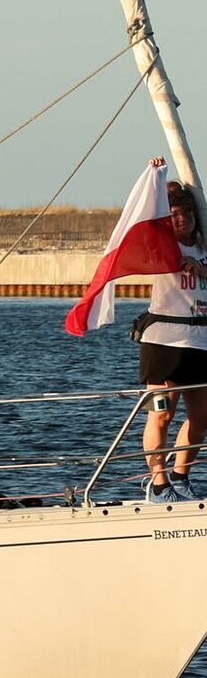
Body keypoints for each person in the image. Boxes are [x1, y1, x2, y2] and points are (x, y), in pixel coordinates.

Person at [141, 158, 207, 503]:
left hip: (200, 341)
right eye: (176, 215)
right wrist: (156, 176)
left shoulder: (203, 245)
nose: (183, 220)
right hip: (165, 342)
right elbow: (146, 217)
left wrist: (202, 268)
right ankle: (159, 484)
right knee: (163, 413)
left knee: (201, 417)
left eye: (188, 214)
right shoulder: (164, 245)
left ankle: (181, 477)